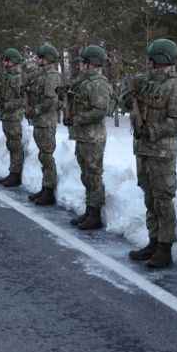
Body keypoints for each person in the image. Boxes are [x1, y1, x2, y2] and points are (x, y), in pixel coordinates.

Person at [123, 39, 177, 267]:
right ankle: (153, 241)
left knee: (163, 200)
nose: (149, 62)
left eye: (152, 58)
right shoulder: (145, 82)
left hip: (162, 153)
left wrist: (151, 130)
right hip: (143, 150)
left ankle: (165, 248)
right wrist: (129, 97)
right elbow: (126, 103)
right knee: (150, 199)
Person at [65, 45, 113, 230]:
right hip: (84, 136)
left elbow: (100, 111)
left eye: (84, 62)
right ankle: (89, 209)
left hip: (93, 137)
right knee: (86, 175)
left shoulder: (98, 83)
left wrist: (78, 118)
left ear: (91, 63)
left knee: (93, 175)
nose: (81, 66)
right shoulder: (84, 82)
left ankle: (95, 214)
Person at [26, 43, 64, 206]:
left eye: (41, 57)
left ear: (48, 59)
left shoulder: (52, 76)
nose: (38, 60)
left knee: (47, 156)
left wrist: (35, 110)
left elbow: (51, 100)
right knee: (43, 155)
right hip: (40, 121)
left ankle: (49, 190)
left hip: (46, 121)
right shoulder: (40, 75)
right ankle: (45, 186)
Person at [0, 48, 26, 187]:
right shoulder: (6, 76)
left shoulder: (19, 77)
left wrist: (7, 105)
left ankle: (16, 174)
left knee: (15, 145)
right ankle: (12, 172)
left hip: (14, 115)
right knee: (10, 144)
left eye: (7, 60)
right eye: (4, 60)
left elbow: (23, 99)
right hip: (6, 115)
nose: (5, 63)